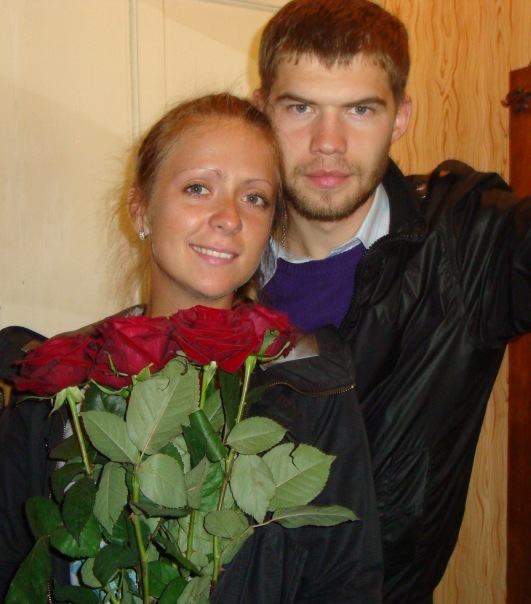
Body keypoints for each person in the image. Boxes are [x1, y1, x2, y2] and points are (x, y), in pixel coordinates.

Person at [0, 93, 383, 602]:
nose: (229, 217)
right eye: (198, 188)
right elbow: (14, 567)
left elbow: (347, 583)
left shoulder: (312, 383)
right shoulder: (59, 379)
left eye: (255, 198)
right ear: (141, 208)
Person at [252, 0, 531, 602]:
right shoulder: (220, 256)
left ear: (400, 117)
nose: (328, 143)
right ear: (262, 111)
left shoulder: (463, 246)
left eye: (360, 109)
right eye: (300, 107)